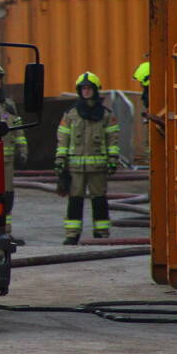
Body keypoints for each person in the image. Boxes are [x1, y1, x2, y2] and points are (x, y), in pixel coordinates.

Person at [55, 72, 120, 245]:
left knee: (99, 200)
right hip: (75, 168)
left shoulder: (106, 115)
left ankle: (101, 233)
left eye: (89, 88)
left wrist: (113, 159)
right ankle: (72, 234)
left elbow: (112, 139)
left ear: (95, 90)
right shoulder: (71, 114)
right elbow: (63, 139)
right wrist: (60, 160)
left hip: (98, 168)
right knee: (75, 200)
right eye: (83, 88)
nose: (86, 91)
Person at [0, 66, 27, 244]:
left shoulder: (8, 105)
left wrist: (22, 152)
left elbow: (18, 130)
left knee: (7, 197)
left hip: (6, 161)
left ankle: (6, 233)